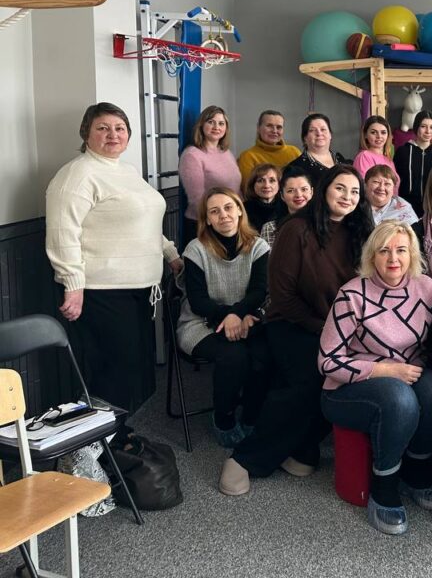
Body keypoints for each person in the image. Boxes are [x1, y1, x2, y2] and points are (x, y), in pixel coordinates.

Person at [219, 164, 374, 496]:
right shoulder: (296, 229)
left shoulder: (360, 231)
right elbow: (283, 297)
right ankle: (246, 458)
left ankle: (302, 446)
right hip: (293, 323)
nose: (347, 197)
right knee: (312, 377)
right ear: (323, 190)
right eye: (340, 188)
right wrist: (327, 330)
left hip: (340, 327)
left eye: (354, 192)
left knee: (350, 377)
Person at [45, 102, 183, 414]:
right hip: (100, 291)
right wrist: (73, 285)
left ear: (128, 135)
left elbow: (144, 223)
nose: (113, 134)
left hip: (139, 288)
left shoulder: (126, 171)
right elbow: (62, 232)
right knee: (111, 371)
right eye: (103, 128)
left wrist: (170, 255)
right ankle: (99, 441)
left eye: (120, 128)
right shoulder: (77, 174)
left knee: (130, 369)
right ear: (86, 133)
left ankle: (118, 434)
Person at [319, 221, 432, 535]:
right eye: (384, 251)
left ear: (412, 254)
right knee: (399, 399)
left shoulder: (425, 287)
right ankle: (384, 486)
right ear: (372, 256)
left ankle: (416, 474)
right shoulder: (352, 294)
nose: (394, 258)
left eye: (401, 250)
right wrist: (384, 370)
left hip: (408, 374)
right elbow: (327, 361)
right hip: (347, 389)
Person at [177, 188, 270, 447]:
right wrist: (229, 316)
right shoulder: (196, 249)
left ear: (240, 210)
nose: (223, 215)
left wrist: (238, 315)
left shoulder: (258, 246)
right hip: (200, 322)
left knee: (263, 354)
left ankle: (251, 416)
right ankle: (224, 418)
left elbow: (259, 291)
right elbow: (198, 302)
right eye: (214, 211)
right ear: (207, 219)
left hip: (245, 317)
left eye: (229, 208)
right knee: (234, 356)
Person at [178, 105, 243, 246]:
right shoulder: (192, 155)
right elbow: (197, 199)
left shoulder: (226, 153)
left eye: (221, 123)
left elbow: (236, 191)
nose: (216, 127)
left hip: (230, 222)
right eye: (211, 122)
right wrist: (220, 220)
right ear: (201, 125)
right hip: (204, 224)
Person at [394, 110, 432, 217]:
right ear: (416, 127)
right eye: (423, 126)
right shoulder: (402, 152)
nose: (428, 131)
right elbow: (395, 179)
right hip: (406, 208)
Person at [237, 109, 301, 183]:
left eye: (279, 127)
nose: (274, 131)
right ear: (258, 128)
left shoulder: (294, 152)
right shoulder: (248, 156)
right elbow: (248, 187)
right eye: (269, 126)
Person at [290, 112, 348, 188]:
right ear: (305, 138)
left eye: (323, 129)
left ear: (330, 135)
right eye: (312, 130)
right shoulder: (296, 167)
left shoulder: (339, 158)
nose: (319, 133)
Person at [259, 169, 313, 249]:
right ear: (282, 195)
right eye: (291, 191)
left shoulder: (324, 222)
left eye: (304, 189)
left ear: (311, 192)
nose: (298, 195)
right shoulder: (271, 228)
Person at [352, 115, 396, 179]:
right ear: (365, 135)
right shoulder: (363, 157)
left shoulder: (389, 160)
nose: (379, 136)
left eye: (383, 132)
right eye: (373, 132)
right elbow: (363, 183)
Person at [243, 163, 280, 232]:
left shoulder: (287, 206)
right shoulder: (244, 209)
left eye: (272, 180)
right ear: (252, 185)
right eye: (260, 181)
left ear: (279, 184)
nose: (266, 185)